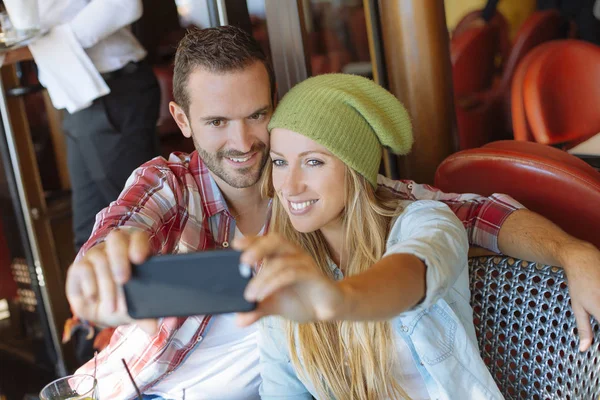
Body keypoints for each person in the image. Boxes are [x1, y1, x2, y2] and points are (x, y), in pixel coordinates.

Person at [65, 25, 600, 399]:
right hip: (146, 388)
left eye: (257, 115)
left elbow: (471, 216)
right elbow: (121, 228)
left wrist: (572, 251)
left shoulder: (321, 201)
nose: (244, 141)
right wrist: (99, 264)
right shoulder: (171, 186)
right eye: (217, 122)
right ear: (181, 119)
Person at [234, 73, 503, 399]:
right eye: (279, 162)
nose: (289, 186)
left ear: (356, 169)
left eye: (313, 162)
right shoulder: (285, 270)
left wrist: (339, 299)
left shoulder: (424, 222)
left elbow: (409, 274)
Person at [3, 0, 161, 251]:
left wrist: (39, 47)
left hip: (113, 92)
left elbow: (124, 5)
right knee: (89, 238)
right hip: (76, 97)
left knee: (139, 226)